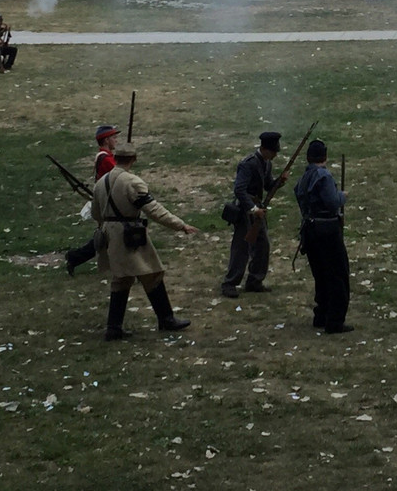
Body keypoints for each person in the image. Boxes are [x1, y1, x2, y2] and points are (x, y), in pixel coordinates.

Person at [92, 142, 197, 340]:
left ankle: (114, 327)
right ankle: (165, 319)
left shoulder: (101, 182)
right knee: (152, 273)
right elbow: (154, 210)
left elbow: (96, 213)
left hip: (110, 233)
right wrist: (180, 225)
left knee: (122, 278)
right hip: (129, 234)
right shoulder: (132, 182)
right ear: (133, 159)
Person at [294, 140, 352, 334]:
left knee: (321, 275)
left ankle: (321, 315)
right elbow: (332, 202)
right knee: (337, 276)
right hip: (327, 231)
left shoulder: (305, 176)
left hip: (310, 232)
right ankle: (334, 321)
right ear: (324, 157)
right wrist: (342, 196)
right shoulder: (323, 176)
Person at [222, 131, 284, 298]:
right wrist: (253, 209)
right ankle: (230, 283)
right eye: (273, 151)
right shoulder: (248, 164)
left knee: (263, 245)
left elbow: (267, 185)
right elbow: (239, 190)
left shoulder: (266, 163)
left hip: (257, 209)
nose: (275, 155)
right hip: (245, 210)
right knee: (241, 248)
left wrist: (279, 183)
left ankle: (255, 280)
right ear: (264, 149)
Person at [65, 125, 121, 276]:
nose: (116, 140)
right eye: (114, 137)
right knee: (114, 236)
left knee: (108, 238)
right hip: (109, 204)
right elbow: (121, 176)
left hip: (108, 202)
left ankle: (74, 258)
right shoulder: (107, 160)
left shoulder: (106, 157)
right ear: (106, 140)